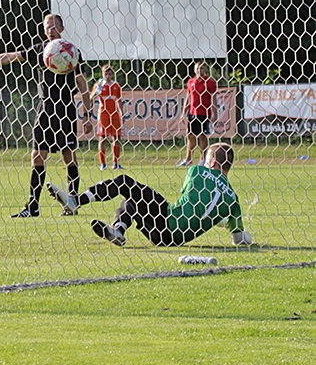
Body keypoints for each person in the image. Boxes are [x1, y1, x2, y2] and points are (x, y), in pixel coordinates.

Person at [0, 13, 93, 217]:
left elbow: (82, 82)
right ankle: (33, 206)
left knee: (69, 155)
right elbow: (10, 56)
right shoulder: (41, 50)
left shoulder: (71, 51)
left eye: (52, 26)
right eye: (46, 27)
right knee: (37, 155)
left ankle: (72, 200)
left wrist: (87, 115)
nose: (49, 30)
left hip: (65, 107)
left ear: (62, 28)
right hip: (45, 108)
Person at [47, 142, 251, 248]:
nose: (204, 163)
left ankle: (76, 201)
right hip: (171, 239)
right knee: (134, 198)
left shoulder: (197, 171)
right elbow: (238, 239)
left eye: (206, 159)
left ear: (213, 163)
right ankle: (118, 230)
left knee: (125, 182)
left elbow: (189, 198)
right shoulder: (233, 199)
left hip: (166, 222)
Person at [178, 61, 217, 167]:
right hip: (192, 113)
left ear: (205, 70)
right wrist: (183, 112)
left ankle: (202, 160)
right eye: (198, 69)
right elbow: (188, 97)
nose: (200, 71)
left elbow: (213, 98)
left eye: (202, 68)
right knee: (189, 135)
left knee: (202, 136)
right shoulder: (191, 82)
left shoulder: (209, 82)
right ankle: (188, 159)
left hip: (204, 113)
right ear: (194, 70)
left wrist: (215, 113)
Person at [91, 64, 124, 170]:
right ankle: (103, 164)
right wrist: (96, 93)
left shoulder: (116, 85)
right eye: (106, 74)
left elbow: (119, 100)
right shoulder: (99, 85)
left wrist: (121, 113)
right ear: (103, 74)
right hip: (103, 115)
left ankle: (116, 163)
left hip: (114, 115)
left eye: (109, 74)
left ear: (112, 74)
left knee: (117, 138)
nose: (108, 76)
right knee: (103, 138)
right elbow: (91, 99)